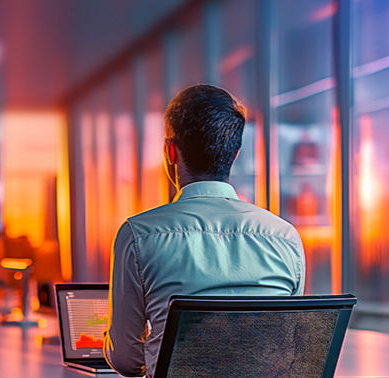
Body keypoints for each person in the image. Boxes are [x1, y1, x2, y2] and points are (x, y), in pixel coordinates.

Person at [103, 84, 306, 377]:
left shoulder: (138, 235)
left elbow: (126, 361)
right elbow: (289, 348)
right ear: (234, 154)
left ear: (170, 151)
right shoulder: (285, 237)